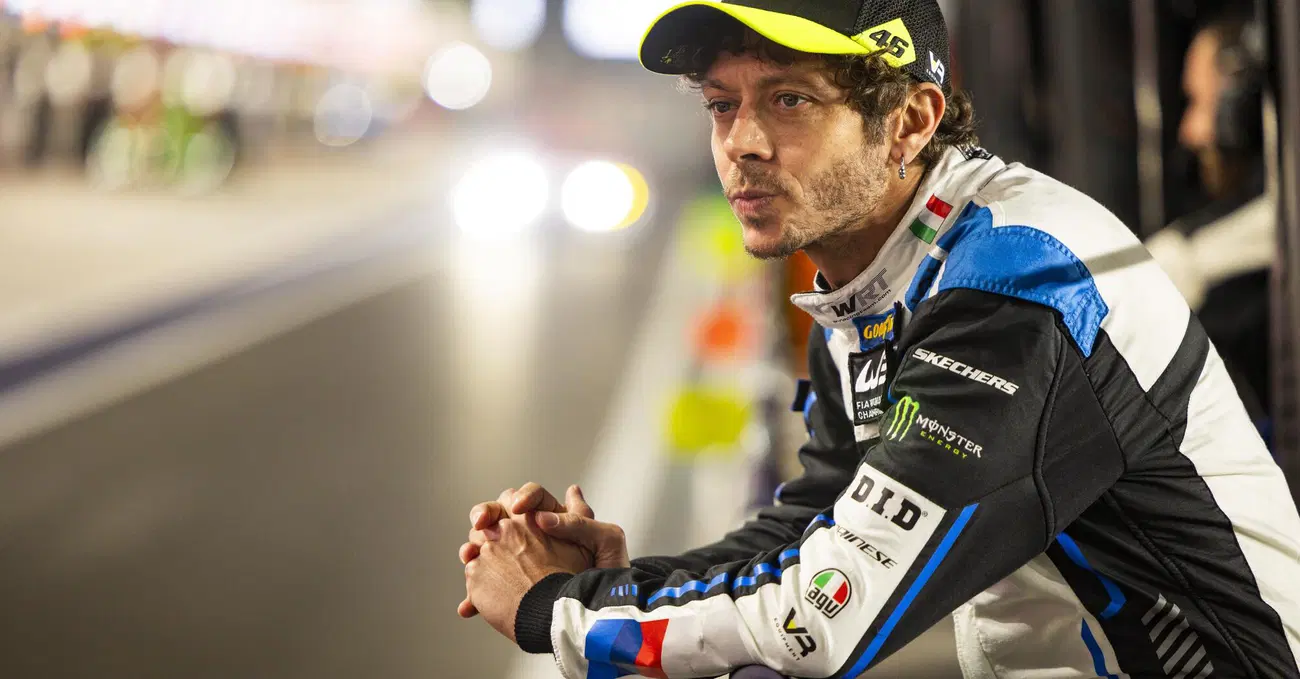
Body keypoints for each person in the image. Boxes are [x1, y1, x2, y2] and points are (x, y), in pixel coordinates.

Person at [458, 1, 1300, 677]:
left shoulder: (1015, 285)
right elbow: (818, 527)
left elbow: (822, 617)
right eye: (722, 105)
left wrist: (556, 610)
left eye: (789, 100)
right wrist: (618, 585)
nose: (741, 143)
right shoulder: (880, 272)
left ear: (909, 121)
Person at [1145, 6, 1274, 439]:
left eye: (1200, 103)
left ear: (1242, 105)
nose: (1190, 132)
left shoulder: (1275, 227)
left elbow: (1179, 265)